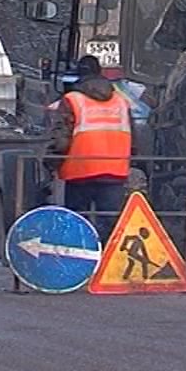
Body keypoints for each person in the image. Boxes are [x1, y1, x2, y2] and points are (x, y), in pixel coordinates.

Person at [51, 55, 132, 239]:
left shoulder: (72, 100)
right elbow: (133, 138)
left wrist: (51, 163)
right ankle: (108, 262)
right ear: (100, 73)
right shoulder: (121, 101)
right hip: (115, 171)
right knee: (110, 224)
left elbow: (61, 140)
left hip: (80, 171)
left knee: (78, 223)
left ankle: (82, 262)